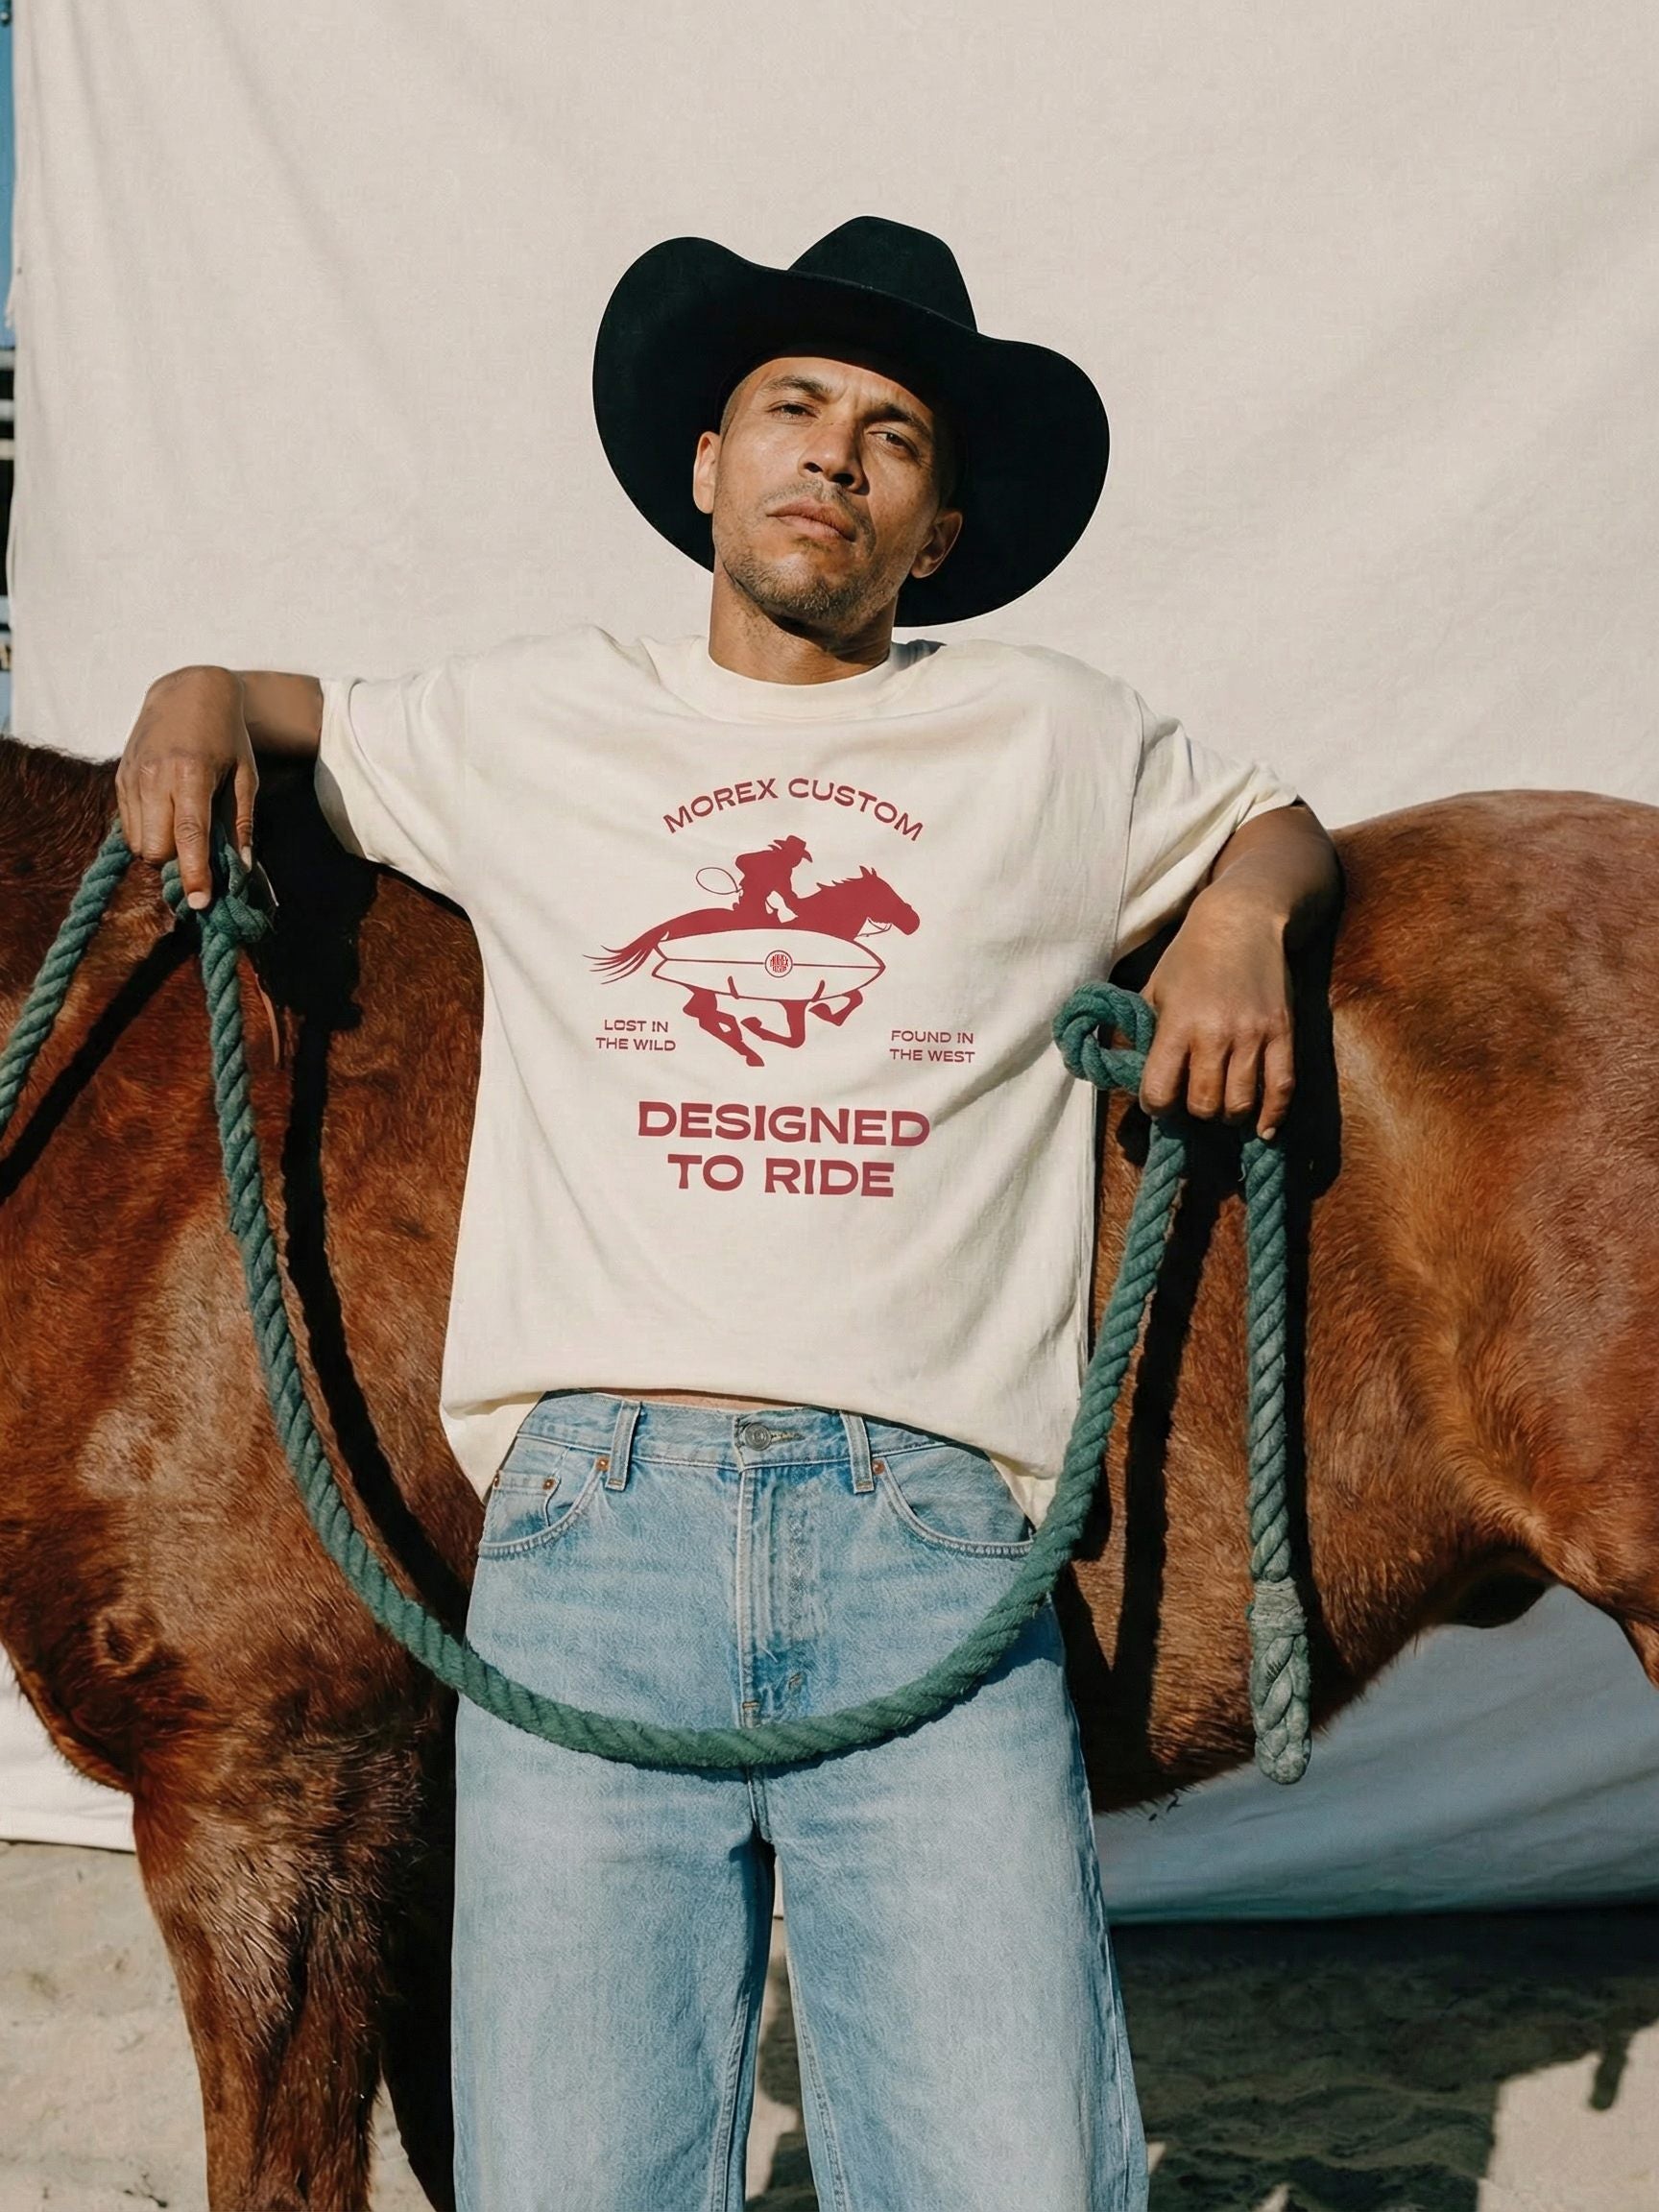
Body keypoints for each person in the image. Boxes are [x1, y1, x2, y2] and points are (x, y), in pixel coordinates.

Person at [118, 216, 1342, 2212]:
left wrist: (1242, 919)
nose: (834, 458)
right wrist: (184, 692)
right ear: (707, 463)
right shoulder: (535, 719)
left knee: (1010, 2176)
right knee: (575, 2178)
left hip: (930, 1533)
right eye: (793, 409)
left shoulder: (1050, 735)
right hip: (599, 1535)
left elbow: (1270, 817)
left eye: (891, 436)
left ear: (934, 528)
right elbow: (286, 709)